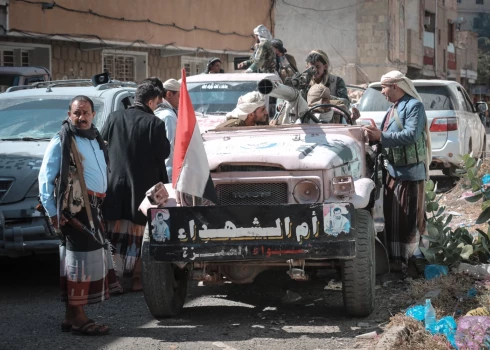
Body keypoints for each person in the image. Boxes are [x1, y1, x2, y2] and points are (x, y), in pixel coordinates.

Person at [38, 95, 121, 336]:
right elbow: (45, 178)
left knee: (81, 262)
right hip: (73, 211)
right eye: (77, 113)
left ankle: (69, 316)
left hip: (93, 208)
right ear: (69, 115)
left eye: (86, 113)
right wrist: (52, 213)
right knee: (79, 264)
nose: (81, 117)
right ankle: (79, 319)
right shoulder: (61, 140)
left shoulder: (96, 139)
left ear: (94, 115)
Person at [101, 83, 170, 292]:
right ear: (150, 102)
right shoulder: (154, 123)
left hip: (114, 186)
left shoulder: (114, 117)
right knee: (140, 235)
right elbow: (164, 153)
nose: (157, 107)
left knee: (114, 233)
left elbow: (103, 143)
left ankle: (115, 280)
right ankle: (138, 280)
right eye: (157, 103)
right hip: (142, 190)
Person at [363, 70, 431, 276]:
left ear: (395, 86)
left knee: (409, 221)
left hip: (410, 174)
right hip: (393, 171)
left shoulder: (414, 106)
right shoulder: (393, 108)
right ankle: (396, 262)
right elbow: (388, 137)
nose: (382, 92)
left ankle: (414, 263)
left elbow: (410, 135)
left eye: (384, 87)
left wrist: (381, 136)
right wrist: (376, 137)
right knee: (394, 220)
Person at [306, 49, 361, 121]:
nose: (314, 70)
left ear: (325, 66)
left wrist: (325, 97)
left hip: (335, 123)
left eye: (318, 67)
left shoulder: (337, 81)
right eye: (311, 68)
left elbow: (345, 103)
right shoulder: (305, 83)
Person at [154, 78, 180, 182]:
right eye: (178, 96)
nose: (180, 100)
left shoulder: (160, 112)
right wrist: (169, 173)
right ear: (169, 94)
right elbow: (170, 146)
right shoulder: (169, 116)